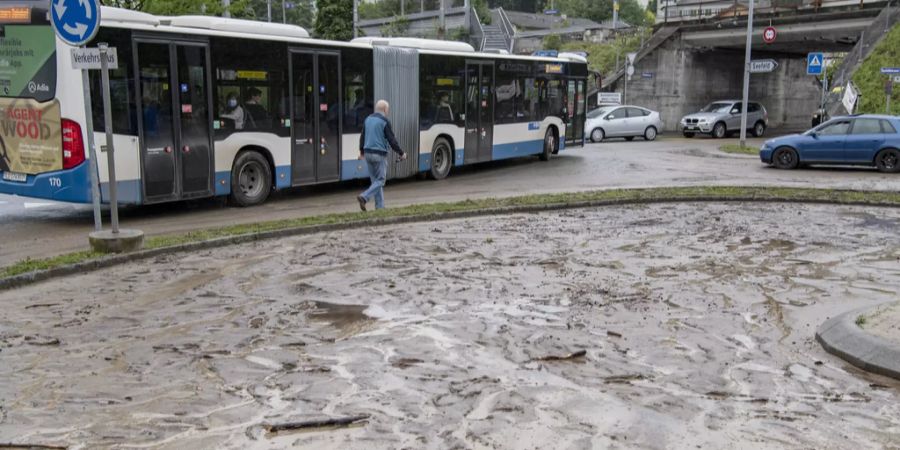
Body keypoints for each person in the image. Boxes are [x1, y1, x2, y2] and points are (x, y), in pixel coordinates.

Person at [357, 99, 407, 211]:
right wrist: (401, 153)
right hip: (379, 154)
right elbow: (392, 140)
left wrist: (361, 153)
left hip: (368, 154)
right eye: (387, 109)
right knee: (381, 180)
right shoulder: (384, 121)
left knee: (376, 181)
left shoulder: (368, 119)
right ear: (384, 109)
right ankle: (364, 197)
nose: (388, 111)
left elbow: (362, 137)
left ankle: (380, 207)